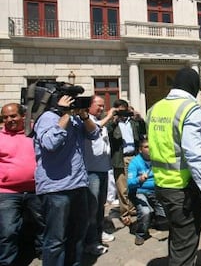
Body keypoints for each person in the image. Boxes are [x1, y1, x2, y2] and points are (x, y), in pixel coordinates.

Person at [147, 67, 201, 266]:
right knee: (185, 249)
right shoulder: (191, 108)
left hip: (161, 185)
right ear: (195, 86)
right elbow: (195, 156)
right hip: (182, 189)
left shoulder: (154, 109)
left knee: (178, 238)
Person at [33, 94, 100, 266]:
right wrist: (66, 115)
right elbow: (49, 143)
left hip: (78, 185)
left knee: (77, 235)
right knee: (56, 240)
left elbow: (94, 134)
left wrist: (84, 116)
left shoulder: (77, 119)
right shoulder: (48, 118)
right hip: (56, 188)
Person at [0, 103, 44, 265]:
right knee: (7, 231)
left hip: (36, 189)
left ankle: (44, 254)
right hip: (7, 192)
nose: (9, 120)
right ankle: (7, 262)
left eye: (13, 116)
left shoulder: (36, 132)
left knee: (43, 225)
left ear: (23, 116)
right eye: (5, 117)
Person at [83, 95, 116, 256]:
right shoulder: (86, 120)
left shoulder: (98, 120)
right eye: (99, 106)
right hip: (91, 170)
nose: (102, 109)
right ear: (89, 106)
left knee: (100, 206)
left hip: (103, 168)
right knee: (92, 207)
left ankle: (98, 233)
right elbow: (94, 130)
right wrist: (109, 116)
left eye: (104, 106)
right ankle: (90, 241)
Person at [107, 99, 146, 227]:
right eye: (121, 110)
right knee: (122, 187)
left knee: (133, 185)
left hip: (134, 157)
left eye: (126, 109)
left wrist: (139, 118)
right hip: (120, 158)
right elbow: (107, 133)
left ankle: (133, 209)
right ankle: (125, 214)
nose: (124, 113)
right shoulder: (113, 123)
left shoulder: (133, 122)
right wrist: (112, 119)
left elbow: (143, 133)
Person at [127, 137, 168, 246]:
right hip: (139, 191)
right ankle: (140, 234)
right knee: (145, 212)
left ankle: (152, 220)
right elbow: (129, 183)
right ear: (140, 150)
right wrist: (139, 179)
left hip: (156, 190)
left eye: (151, 146)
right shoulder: (135, 162)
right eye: (146, 147)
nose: (149, 149)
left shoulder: (156, 159)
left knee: (165, 214)